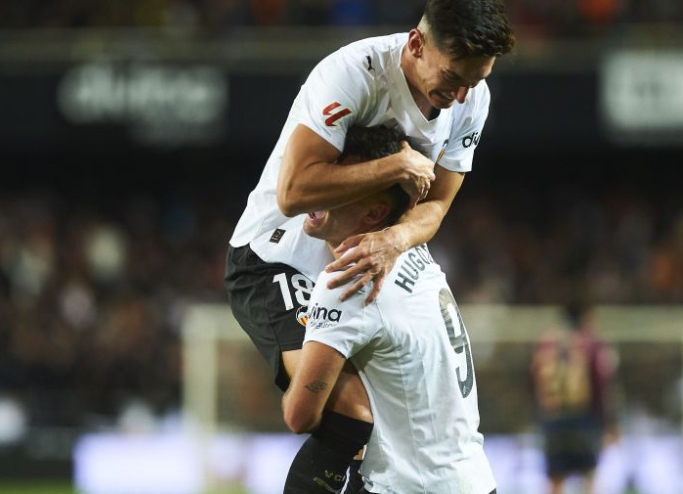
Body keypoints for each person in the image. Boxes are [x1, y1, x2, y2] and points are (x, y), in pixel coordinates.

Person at [224, 1, 514, 492]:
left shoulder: (471, 99)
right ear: (418, 44)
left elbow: (437, 204)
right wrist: (396, 166)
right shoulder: (353, 74)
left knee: (391, 423)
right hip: (280, 256)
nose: (460, 94)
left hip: (366, 251)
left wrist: (392, 239)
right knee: (348, 414)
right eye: (452, 76)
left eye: (475, 80)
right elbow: (293, 193)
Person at [283, 125, 496, 494]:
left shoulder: (347, 282)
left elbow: (300, 415)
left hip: (414, 487)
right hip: (473, 479)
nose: (322, 188)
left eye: (343, 185)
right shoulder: (415, 249)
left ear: (375, 212)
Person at [531, 299, 619, 494]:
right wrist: (608, 422)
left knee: (555, 482)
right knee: (589, 479)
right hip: (582, 417)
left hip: (553, 419)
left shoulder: (545, 343)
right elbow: (600, 384)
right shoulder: (591, 343)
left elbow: (533, 381)